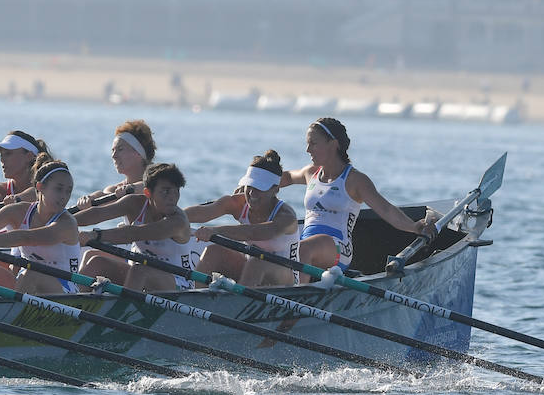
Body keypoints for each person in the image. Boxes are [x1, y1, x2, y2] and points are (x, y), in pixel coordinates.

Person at [282, 117, 437, 275]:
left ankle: (297, 293)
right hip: (306, 243)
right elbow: (285, 177)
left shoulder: (355, 180)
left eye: (313, 143)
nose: (308, 149)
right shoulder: (310, 173)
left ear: (333, 144)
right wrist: (259, 176)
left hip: (338, 249)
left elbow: (386, 209)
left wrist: (413, 227)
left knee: (301, 250)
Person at [0, 155, 82, 294]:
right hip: (26, 281)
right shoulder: (19, 211)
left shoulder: (67, 223)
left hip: (65, 289)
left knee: (31, 274)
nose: (64, 196)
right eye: (58, 189)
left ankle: (11, 313)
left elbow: (27, 238)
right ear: (40, 187)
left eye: (68, 191)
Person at [186, 150, 299, 287]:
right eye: (249, 185)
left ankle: (238, 303)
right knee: (212, 251)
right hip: (250, 270)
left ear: (275, 189)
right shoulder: (239, 203)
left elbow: (254, 232)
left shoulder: (286, 217)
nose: (251, 193)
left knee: (258, 262)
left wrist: (215, 231)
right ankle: (197, 298)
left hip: (285, 277)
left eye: (259, 188)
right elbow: (203, 212)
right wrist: (168, 217)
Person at [77, 163, 195, 291]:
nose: (172, 197)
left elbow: (136, 233)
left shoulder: (178, 221)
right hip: (138, 276)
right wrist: (66, 221)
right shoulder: (134, 204)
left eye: (176, 191)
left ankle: (124, 309)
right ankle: (74, 302)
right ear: (148, 192)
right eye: (165, 191)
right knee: (97, 262)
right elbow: (98, 213)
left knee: (139, 271)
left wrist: (96, 235)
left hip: (178, 283)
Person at [77, 119, 157, 207]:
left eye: (120, 149)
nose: (113, 156)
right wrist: (90, 198)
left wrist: (131, 189)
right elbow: (104, 195)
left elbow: (148, 186)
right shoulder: (116, 189)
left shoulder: (158, 181)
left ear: (138, 153)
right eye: (113, 150)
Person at [0, 130, 48, 215]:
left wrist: (17, 199)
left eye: (8, 154)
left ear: (29, 156)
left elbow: (37, 192)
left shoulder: (46, 188)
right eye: (1, 155)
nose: (2, 159)